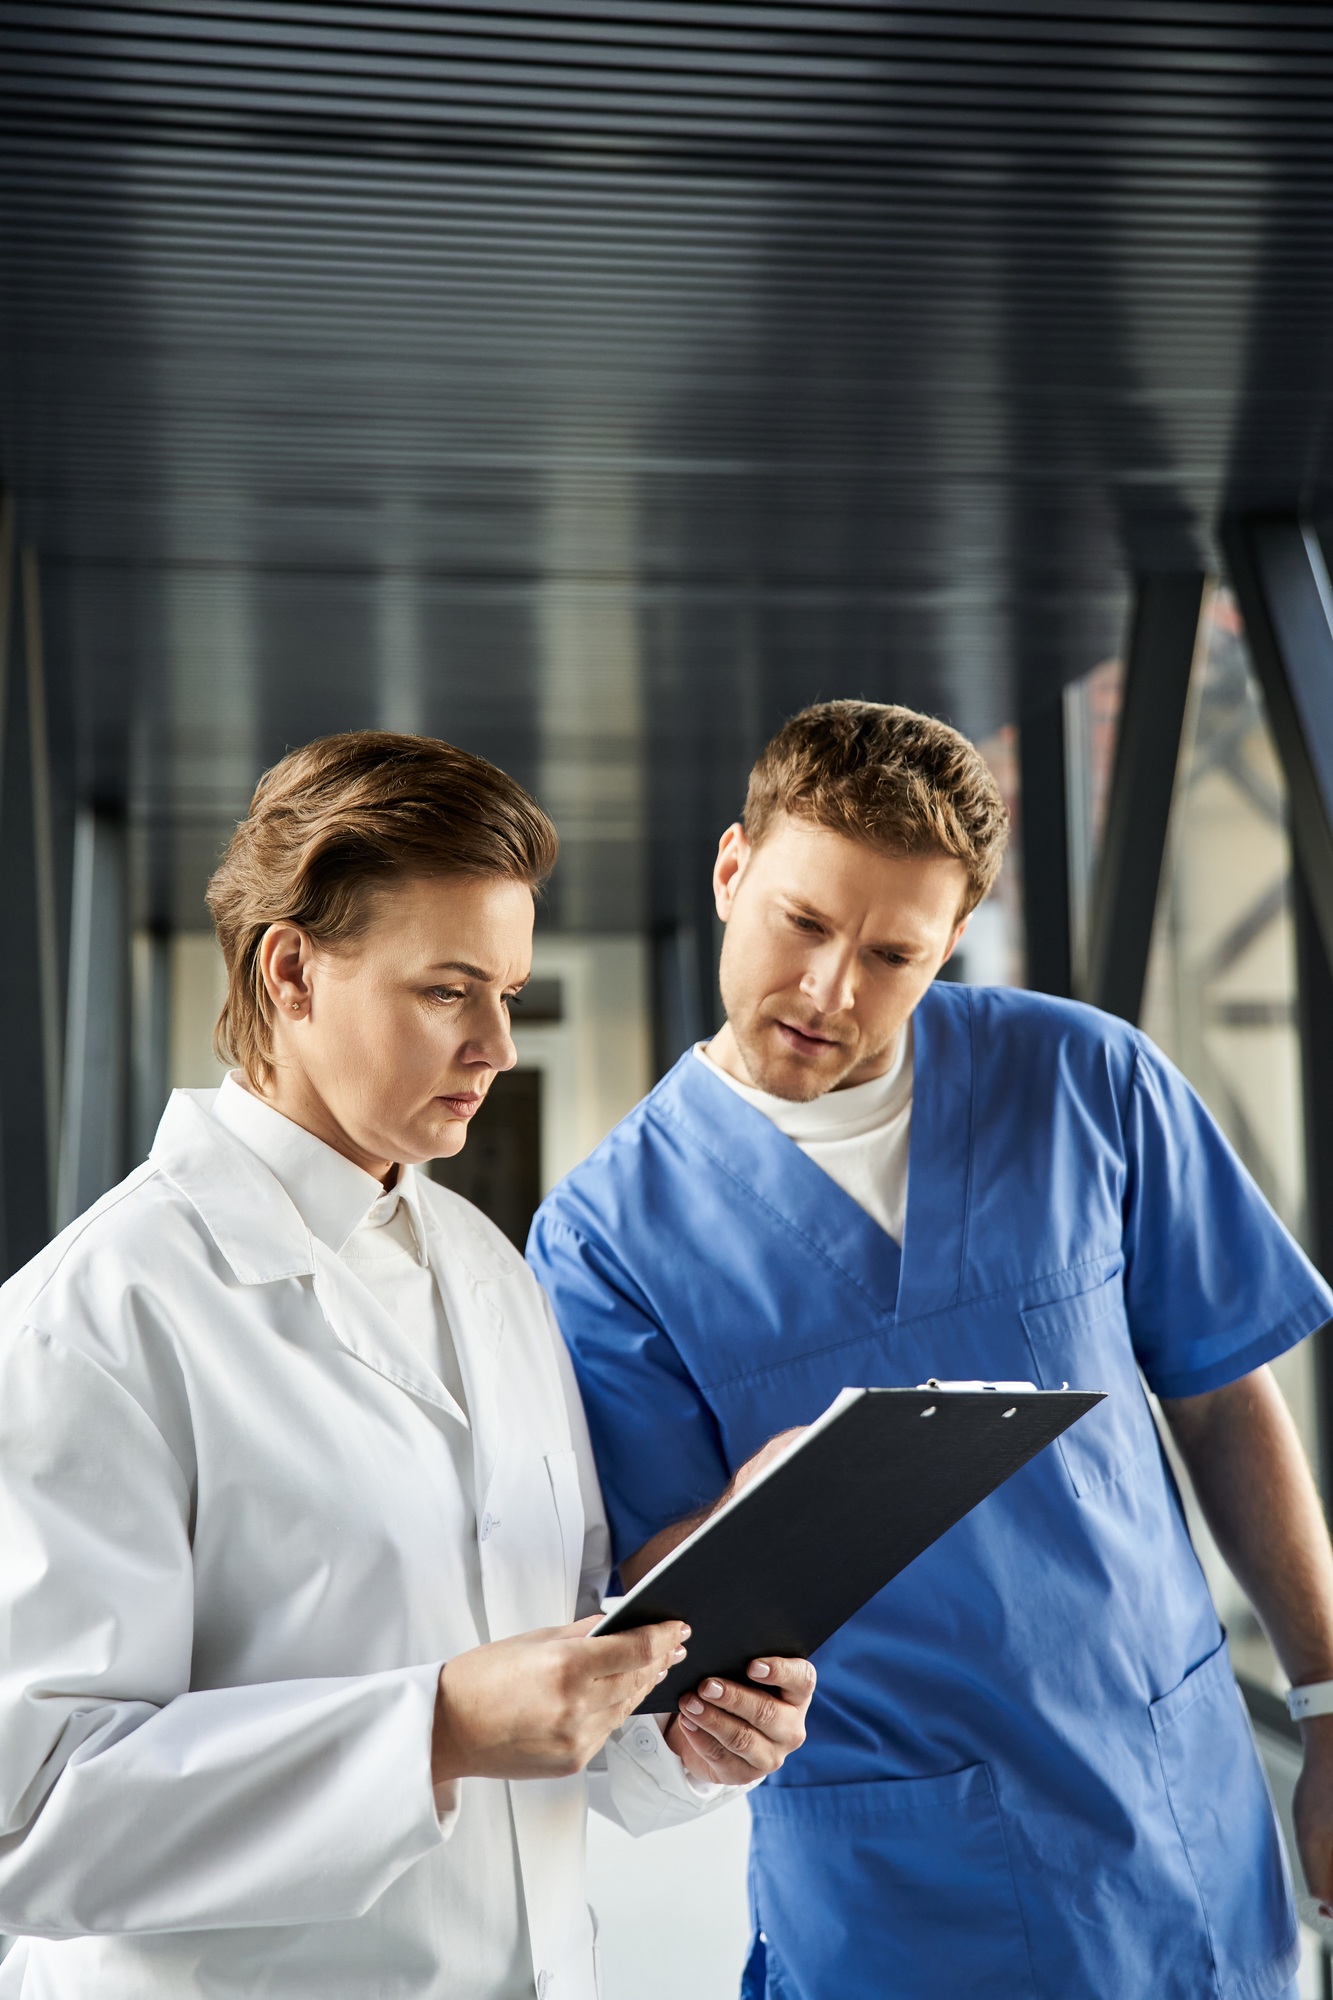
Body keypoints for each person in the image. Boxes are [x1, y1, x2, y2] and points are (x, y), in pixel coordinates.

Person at [528, 699, 1333, 2000]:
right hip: (896, 1882)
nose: (830, 991)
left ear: (951, 941)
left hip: (1177, 1823)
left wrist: (1324, 1699)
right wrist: (751, 1517)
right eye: (802, 923)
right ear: (732, 872)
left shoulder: (1085, 1082)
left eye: (894, 954)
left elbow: (1222, 1397)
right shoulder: (604, 1237)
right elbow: (650, 1579)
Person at [0, 732, 814, 2000]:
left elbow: (542, 1675)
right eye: (448, 990)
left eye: (510, 990)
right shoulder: (93, 1319)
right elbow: (33, 1814)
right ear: (292, 971)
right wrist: (433, 1727)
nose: (497, 1042)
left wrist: (684, 1719)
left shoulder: (489, 1271)